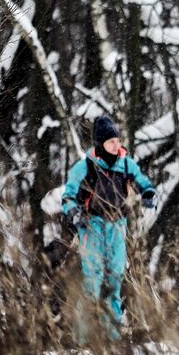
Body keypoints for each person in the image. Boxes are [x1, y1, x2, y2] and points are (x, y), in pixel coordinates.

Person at [61, 115, 157, 338]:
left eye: (117, 140)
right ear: (101, 144)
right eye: (111, 141)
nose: (117, 144)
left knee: (114, 280)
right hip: (91, 225)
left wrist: (149, 193)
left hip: (117, 225)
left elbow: (143, 182)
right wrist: (72, 211)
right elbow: (69, 195)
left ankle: (112, 336)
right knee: (93, 282)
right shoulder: (84, 166)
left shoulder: (126, 164)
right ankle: (82, 338)